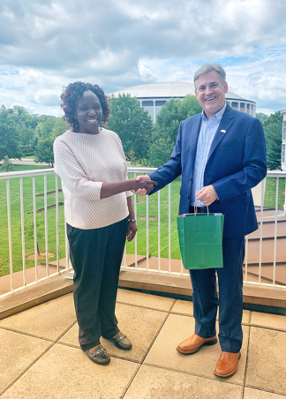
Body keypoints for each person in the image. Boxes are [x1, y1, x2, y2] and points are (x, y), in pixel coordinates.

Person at [136, 64, 267, 378]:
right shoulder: (188, 125)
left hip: (229, 218)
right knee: (200, 279)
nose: (207, 92)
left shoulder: (248, 125)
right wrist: (152, 180)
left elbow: (256, 168)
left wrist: (219, 189)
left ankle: (231, 345)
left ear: (224, 86)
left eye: (213, 85)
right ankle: (205, 330)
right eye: (201, 88)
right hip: (195, 217)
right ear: (196, 93)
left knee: (230, 284)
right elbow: (176, 163)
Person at [53, 82, 157, 366]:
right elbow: (82, 188)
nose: (91, 112)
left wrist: (131, 216)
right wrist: (132, 183)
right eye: (84, 107)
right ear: (72, 111)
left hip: (116, 221)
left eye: (96, 106)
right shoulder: (64, 143)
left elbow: (121, 177)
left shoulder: (112, 137)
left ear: (103, 108)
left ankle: (109, 328)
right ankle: (88, 338)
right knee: (88, 283)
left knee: (110, 279)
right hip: (86, 227)